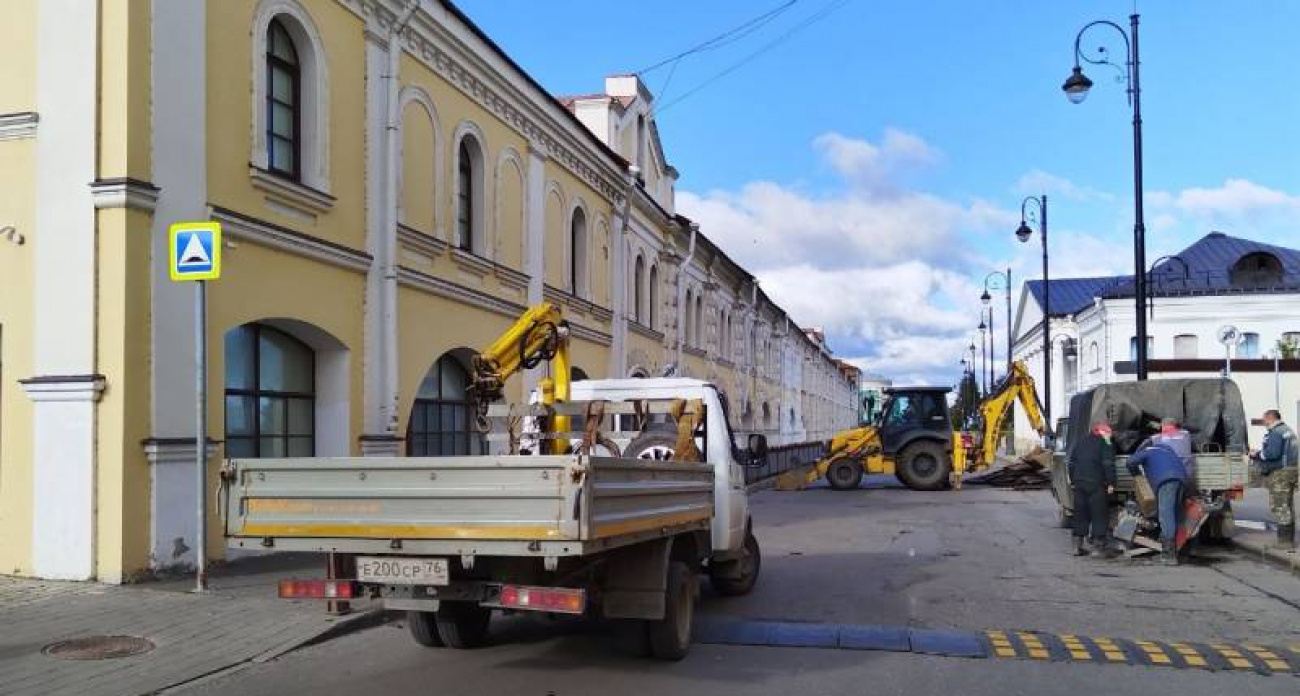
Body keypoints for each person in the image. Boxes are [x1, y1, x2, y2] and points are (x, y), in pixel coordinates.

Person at [1128, 440, 1190, 565]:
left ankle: (1169, 556)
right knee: (1174, 515)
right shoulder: (1167, 450)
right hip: (1181, 481)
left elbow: (1130, 462)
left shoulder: (1148, 451)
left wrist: (1136, 474)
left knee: (1166, 516)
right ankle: (1174, 550)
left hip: (1166, 481)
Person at [1067, 422, 1120, 558]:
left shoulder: (1081, 442)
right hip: (1096, 483)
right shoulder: (1106, 444)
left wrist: (1073, 481)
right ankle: (1098, 547)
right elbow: (1108, 464)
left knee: (1080, 513)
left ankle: (1076, 546)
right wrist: (1111, 483)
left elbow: (1071, 463)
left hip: (1079, 483)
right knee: (1099, 513)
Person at [1251, 409, 1297, 550]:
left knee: (1279, 506)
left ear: (1270, 419)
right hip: (1291, 470)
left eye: (1264, 420)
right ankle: (1287, 539)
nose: (1264, 422)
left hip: (1280, 474)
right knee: (1287, 505)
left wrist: (1256, 454)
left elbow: (1272, 454)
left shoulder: (1276, 432)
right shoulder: (1287, 430)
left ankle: (1284, 542)